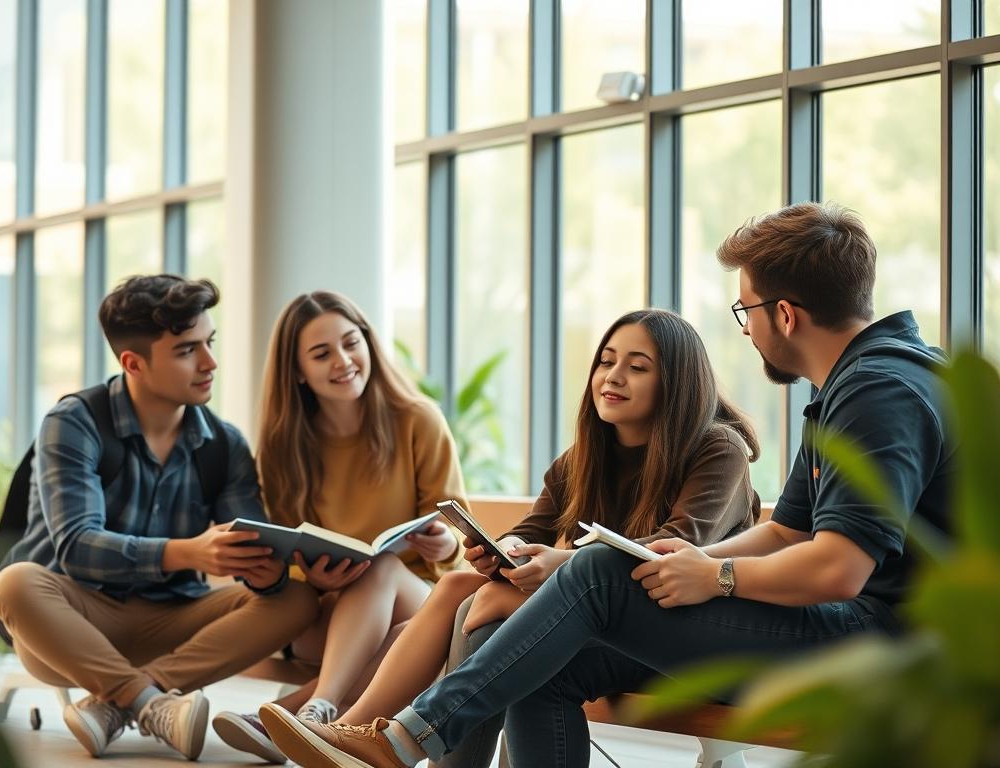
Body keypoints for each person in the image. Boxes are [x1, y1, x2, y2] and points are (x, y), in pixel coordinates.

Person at [258, 202, 972, 768]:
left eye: (746, 311)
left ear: (784, 315)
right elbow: (786, 532)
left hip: (875, 645)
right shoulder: (851, 390)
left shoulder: (876, 393)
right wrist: (679, 566)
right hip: (834, 627)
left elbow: (841, 568)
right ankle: (389, 735)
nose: (748, 330)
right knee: (544, 655)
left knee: (593, 574)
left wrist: (717, 574)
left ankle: (408, 737)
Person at [282, 308, 761, 765]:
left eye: (637, 367)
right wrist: (503, 552)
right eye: (605, 362)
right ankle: (358, 735)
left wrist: (559, 565)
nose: (612, 377)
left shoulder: (717, 449)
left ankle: (364, 740)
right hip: (600, 623)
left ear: (677, 383)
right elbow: (530, 530)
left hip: (679, 634)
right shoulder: (586, 457)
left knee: (474, 608)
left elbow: (668, 552)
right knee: (461, 591)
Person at [0, 274, 319, 761]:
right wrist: (189, 552)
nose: (210, 362)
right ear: (133, 363)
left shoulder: (223, 444)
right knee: (14, 583)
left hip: (174, 620)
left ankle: (127, 703)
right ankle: (151, 704)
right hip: (75, 622)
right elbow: (77, 547)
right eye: (188, 350)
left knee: (295, 599)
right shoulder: (75, 423)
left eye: (209, 342)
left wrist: (266, 573)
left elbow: (254, 551)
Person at [211, 290, 468, 764]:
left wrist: (443, 543)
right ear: (297, 371)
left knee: (383, 571)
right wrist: (311, 577)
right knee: (401, 631)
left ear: (369, 343)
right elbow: (282, 551)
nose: (343, 361)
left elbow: (460, 536)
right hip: (330, 614)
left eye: (352, 343)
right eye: (321, 353)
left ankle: (306, 709)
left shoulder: (418, 421)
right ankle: (317, 721)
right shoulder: (283, 446)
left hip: (422, 598)